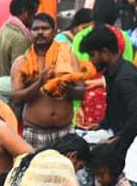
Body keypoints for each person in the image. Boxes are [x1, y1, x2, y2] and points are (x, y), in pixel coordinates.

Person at [11, 13, 85, 149]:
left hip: (65, 131)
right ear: (30, 32)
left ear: (54, 31)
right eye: (35, 29)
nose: (40, 32)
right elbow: (16, 98)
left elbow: (82, 92)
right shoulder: (22, 62)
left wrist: (66, 89)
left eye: (45, 28)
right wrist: (40, 83)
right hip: (35, 132)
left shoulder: (68, 56)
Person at [82, 25, 137, 155]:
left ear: (105, 52)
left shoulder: (124, 79)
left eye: (92, 55)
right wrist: (102, 124)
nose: (90, 61)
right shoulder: (113, 73)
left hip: (129, 148)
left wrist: (116, 140)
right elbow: (116, 108)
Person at [0, 0, 40, 82]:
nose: (34, 18)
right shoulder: (20, 39)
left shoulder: (5, 28)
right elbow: (21, 77)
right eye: (33, 14)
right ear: (24, 11)